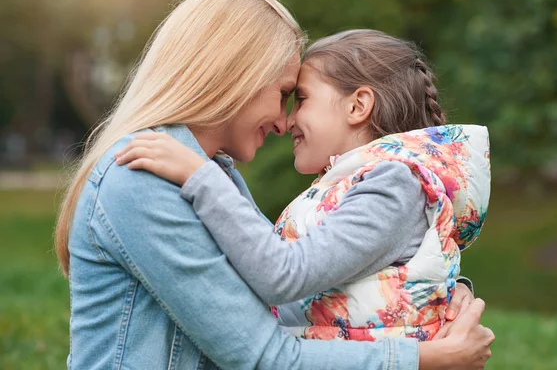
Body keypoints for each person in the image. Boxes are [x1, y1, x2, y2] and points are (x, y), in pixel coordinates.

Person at [55, 0, 494, 369]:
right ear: (235, 76)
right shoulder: (143, 179)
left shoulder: (212, 177)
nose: (284, 123)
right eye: (286, 94)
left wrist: (440, 300)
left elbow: (288, 289)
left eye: (297, 98)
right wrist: (427, 358)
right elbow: (264, 351)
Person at [116, 29, 491, 343]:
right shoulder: (359, 183)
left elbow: (285, 275)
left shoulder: (393, 186)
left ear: (358, 105)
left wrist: (201, 177)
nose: (288, 120)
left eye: (302, 100)